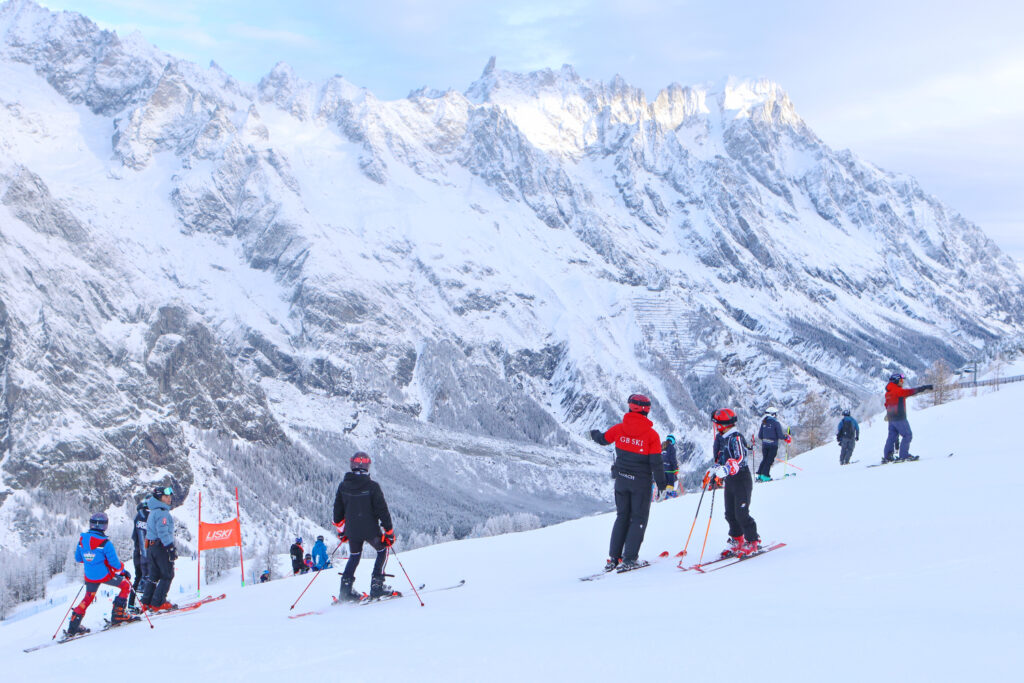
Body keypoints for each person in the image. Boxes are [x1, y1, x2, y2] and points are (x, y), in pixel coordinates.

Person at [589, 393, 667, 573]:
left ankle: (613, 558)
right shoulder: (651, 435)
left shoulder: (619, 429)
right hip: (640, 483)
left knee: (622, 517)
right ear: (647, 411)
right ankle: (629, 559)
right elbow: (656, 463)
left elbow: (603, 439)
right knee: (638, 519)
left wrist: (593, 434)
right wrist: (662, 485)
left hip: (621, 480)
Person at [333, 452, 399, 601]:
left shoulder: (343, 486)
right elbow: (383, 511)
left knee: (354, 556)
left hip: (352, 531)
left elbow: (337, 513)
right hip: (371, 530)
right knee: (382, 551)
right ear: (367, 466)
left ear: (352, 465)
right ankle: (377, 586)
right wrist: (389, 532)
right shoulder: (372, 487)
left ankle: (345, 591)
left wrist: (342, 533)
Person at [64, 513, 135, 637]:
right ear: (105, 526)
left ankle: (73, 626)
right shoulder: (105, 544)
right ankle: (118, 615)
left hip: (90, 576)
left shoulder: (82, 540)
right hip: (105, 575)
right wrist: (123, 571)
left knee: (88, 598)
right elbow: (115, 565)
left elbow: (78, 558)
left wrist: (90, 559)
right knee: (125, 586)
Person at [710, 409, 760, 558]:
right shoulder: (721, 438)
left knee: (741, 513)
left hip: (741, 479)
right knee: (730, 513)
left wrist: (727, 468)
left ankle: (752, 540)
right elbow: (720, 457)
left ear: (722, 425)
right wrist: (714, 471)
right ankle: (737, 538)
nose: (716, 426)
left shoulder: (735, 437)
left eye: (717, 424)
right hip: (730, 480)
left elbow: (740, 458)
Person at [140, 486, 178, 612]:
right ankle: (158, 603)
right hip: (161, 547)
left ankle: (146, 602)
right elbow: (162, 532)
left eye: (170, 496)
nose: (169, 499)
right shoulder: (162, 512)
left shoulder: (153, 511)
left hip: (151, 548)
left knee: (154, 575)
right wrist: (170, 548)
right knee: (167, 574)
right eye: (166, 497)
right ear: (159, 498)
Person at [883, 372, 932, 463]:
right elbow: (909, 392)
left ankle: (888, 456)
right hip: (899, 417)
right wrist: (924, 388)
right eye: (901, 380)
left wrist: (889, 413)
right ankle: (904, 455)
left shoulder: (888, 392)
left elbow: (887, 404)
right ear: (896, 380)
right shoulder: (897, 390)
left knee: (892, 437)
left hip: (891, 419)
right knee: (907, 435)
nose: (902, 382)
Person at [755, 407, 790, 482]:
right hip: (773, 445)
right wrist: (786, 437)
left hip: (764, 445)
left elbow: (760, 436)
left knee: (765, 459)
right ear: (773, 414)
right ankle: (765, 476)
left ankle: (760, 475)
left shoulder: (763, 422)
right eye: (775, 414)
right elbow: (780, 435)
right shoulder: (776, 423)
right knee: (769, 460)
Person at [127, 499, 149, 613]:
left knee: (138, 577)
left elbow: (134, 537)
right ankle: (145, 602)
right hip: (147, 553)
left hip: (137, 553)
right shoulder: (148, 516)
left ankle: (131, 604)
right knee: (149, 576)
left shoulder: (137, 518)